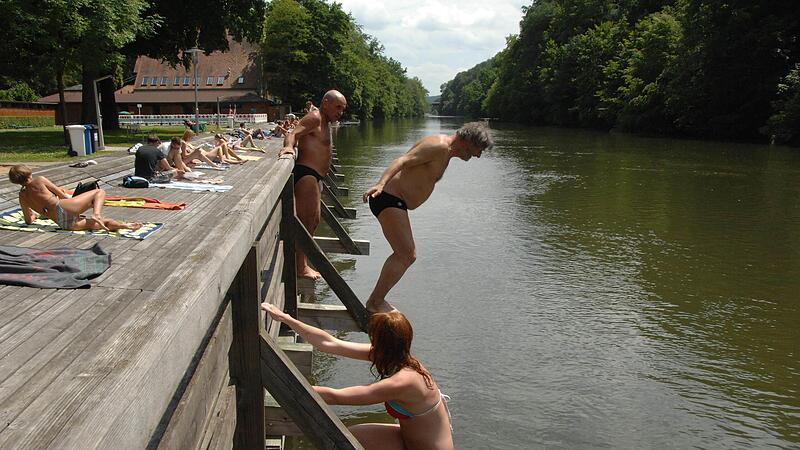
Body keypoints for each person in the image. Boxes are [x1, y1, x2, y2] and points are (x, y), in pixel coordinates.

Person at [261, 303, 454, 450]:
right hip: (407, 439)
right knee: (349, 438)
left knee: (342, 441)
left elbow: (337, 397)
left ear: (381, 341)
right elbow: (329, 343)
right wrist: (286, 319)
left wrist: (277, 383)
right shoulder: (394, 356)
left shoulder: (404, 381)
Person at [362, 122, 493, 313]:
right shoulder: (439, 146)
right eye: (478, 149)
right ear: (467, 141)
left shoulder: (446, 151)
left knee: (406, 255)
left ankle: (376, 300)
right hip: (389, 198)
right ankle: (375, 302)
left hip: (396, 201)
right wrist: (381, 184)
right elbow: (403, 160)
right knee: (406, 254)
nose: (478, 155)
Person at [280, 90, 347, 279]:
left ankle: (302, 264)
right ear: (326, 103)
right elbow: (293, 133)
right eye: (338, 107)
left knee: (313, 221)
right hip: (307, 174)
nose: (340, 112)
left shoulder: (325, 122)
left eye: (342, 109)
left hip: (316, 176)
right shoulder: (315, 118)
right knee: (306, 221)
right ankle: (300, 267)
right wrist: (288, 147)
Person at [9, 165, 142, 232]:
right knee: (99, 192)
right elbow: (60, 195)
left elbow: (28, 220)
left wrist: (35, 216)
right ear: (29, 173)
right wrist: (75, 201)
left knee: (103, 225)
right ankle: (97, 214)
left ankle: (124, 226)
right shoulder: (39, 180)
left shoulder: (22, 197)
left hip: (61, 222)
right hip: (63, 206)